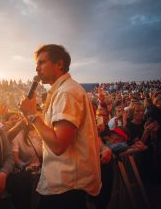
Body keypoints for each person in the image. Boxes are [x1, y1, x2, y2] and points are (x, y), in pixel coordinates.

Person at [19, 44, 101, 209]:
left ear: (59, 64)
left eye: (42, 62)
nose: (37, 68)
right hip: (66, 185)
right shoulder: (64, 91)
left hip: (66, 187)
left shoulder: (66, 93)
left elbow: (58, 145)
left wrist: (32, 115)